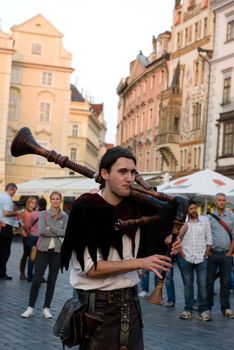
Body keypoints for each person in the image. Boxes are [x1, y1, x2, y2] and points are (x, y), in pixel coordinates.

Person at [60, 146, 183, 350]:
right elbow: (90, 268)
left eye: (133, 172)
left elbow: (181, 221)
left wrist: (174, 236)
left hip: (130, 306)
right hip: (97, 310)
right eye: (122, 171)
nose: (130, 178)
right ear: (105, 174)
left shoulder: (136, 207)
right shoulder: (86, 209)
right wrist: (141, 262)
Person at [21, 191, 68, 318]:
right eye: (53, 199)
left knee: (52, 281)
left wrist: (51, 229)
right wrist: (57, 231)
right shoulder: (43, 214)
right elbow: (41, 231)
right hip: (42, 250)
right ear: (51, 200)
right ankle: (30, 307)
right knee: (36, 280)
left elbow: (65, 233)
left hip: (57, 252)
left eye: (58, 198)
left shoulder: (65, 216)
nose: (55, 201)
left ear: (61, 200)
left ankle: (46, 308)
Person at [179, 200, 212, 321]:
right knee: (188, 285)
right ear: (187, 211)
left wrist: (206, 254)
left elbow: (209, 239)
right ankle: (188, 309)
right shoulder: (183, 222)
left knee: (202, 285)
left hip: (201, 258)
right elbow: (178, 240)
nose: (193, 211)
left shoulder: (204, 221)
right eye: (190, 209)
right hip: (187, 258)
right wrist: (182, 255)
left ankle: (202, 310)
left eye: (194, 208)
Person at [207, 193, 234, 319]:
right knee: (209, 282)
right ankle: (208, 308)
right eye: (219, 200)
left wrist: (230, 253)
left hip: (226, 254)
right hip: (212, 254)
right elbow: (205, 236)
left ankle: (226, 308)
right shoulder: (209, 218)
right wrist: (208, 251)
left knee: (225, 283)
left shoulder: (232, 217)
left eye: (223, 200)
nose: (222, 202)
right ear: (215, 202)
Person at [0, 183, 19, 280]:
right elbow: (6, 213)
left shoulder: (1, 196)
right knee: (5, 251)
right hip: (6, 227)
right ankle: (2, 273)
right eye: (14, 192)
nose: (14, 194)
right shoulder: (7, 199)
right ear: (11, 190)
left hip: (1, 225)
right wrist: (17, 212)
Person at [26, 197, 47, 282]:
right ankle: (40, 277)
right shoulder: (47, 214)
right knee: (41, 259)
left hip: (32, 237)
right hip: (42, 238)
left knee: (32, 257)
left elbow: (28, 225)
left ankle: (30, 276)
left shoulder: (33, 213)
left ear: (38, 204)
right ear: (45, 205)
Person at [19, 197, 38, 280]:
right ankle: (22, 273)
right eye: (32, 202)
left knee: (33, 255)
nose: (33, 204)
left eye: (35, 202)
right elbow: (19, 222)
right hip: (26, 235)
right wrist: (22, 231)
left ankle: (31, 273)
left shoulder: (36, 212)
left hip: (34, 236)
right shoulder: (24, 212)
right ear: (28, 203)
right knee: (26, 254)